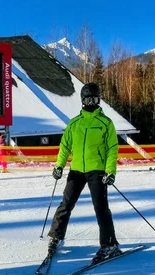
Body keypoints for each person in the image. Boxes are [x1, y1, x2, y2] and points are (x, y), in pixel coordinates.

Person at [48, 82, 121, 263]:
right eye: (88, 98)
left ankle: (109, 244)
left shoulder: (105, 123)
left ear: (99, 99)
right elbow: (65, 146)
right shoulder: (74, 124)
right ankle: (56, 237)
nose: (91, 102)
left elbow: (112, 148)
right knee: (66, 204)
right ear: (82, 100)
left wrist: (110, 171)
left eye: (94, 98)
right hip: (76, 170)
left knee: (100, 208)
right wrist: (59, 166)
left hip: (97, 170)